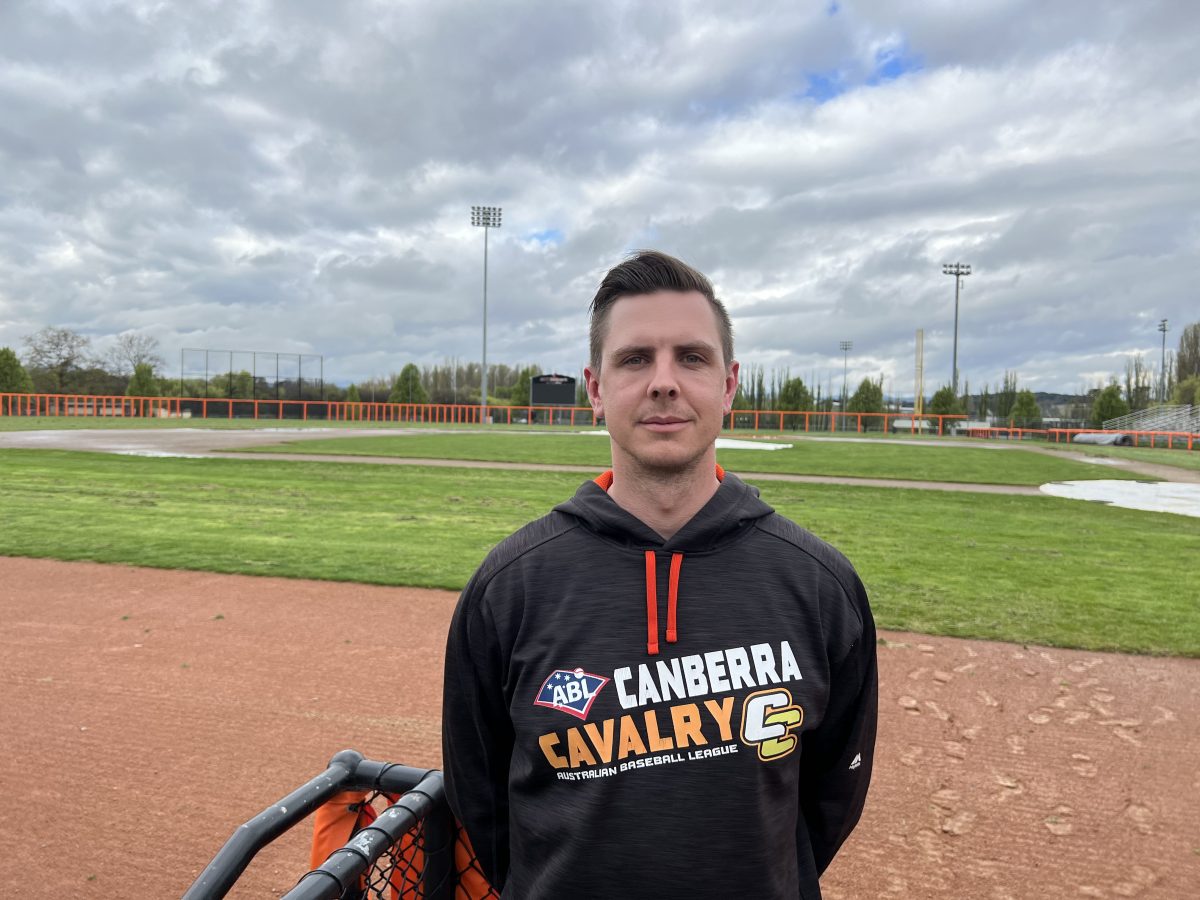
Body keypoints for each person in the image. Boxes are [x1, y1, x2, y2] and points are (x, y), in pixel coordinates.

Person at [442, 250, 877, 899]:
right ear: (595, 387)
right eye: (636, 358)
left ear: (729, 384)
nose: (664, 382)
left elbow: (828, 800)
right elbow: (483, 801)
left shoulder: (819, 586)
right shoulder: (511, 587)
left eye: (692, 357)